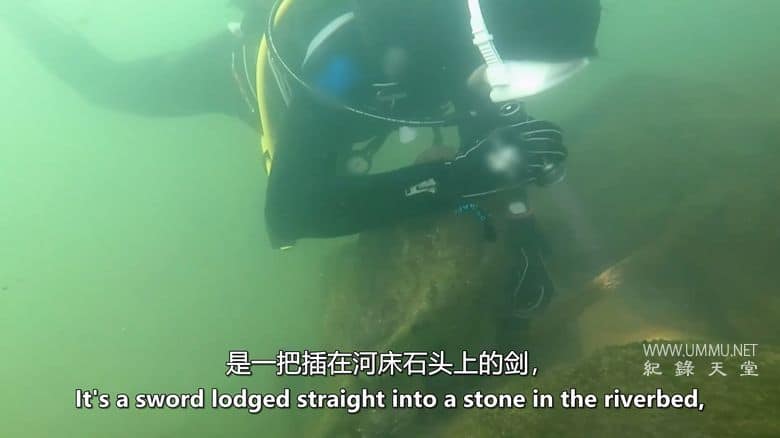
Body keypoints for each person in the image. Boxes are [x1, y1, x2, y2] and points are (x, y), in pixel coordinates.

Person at [2, 0, 602, 319]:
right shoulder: (346, 57)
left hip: (390, 80)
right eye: (520, 74)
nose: (516, 91)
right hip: (260, 73)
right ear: (486, 39)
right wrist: (457, 177)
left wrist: (521, 230)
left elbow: (491, 125)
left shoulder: (476, 37)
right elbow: (292, 210)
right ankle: (21, 14)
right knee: (109, 85)